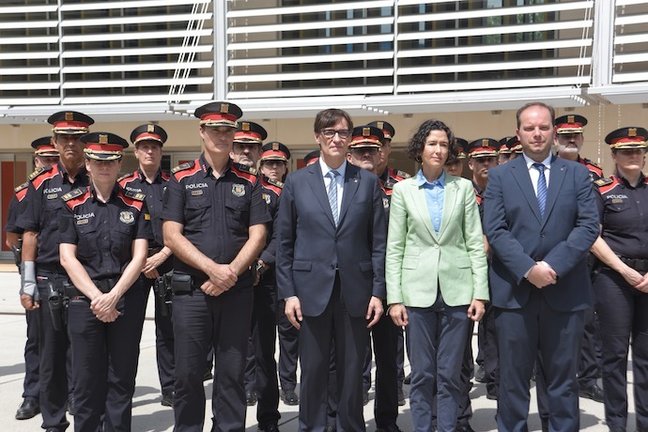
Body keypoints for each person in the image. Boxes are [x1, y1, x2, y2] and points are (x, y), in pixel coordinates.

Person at [483, 102, 599, 432]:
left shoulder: (577, 174)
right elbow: (496, 228)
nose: (537, 133)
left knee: (563, 382)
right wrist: (527, 268)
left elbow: (588, 226)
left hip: (565, 292)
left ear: (554, 132)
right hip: (515, 294)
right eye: (530, 128)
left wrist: (552, 265)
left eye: (544, 127)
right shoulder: (501, 176)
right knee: (513, 382)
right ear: (518, 133)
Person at [162, 101, 270, 432]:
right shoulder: (181, 178)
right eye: (215, 130)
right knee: (189, 373)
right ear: (202, 131)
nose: (222, 136)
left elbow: (259, 235)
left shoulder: (250, 181)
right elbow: (170, 234)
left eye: (228, 130)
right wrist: (212, 269)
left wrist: (230, 273)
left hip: (236, 292)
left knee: (232, 371)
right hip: (191, 292)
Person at [276, 108, 387, 431]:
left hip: (356, 290)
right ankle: (312, 426)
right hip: (310, 291)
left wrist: (378, 291)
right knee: (312, 371)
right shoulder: (297, 182)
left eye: (342, 133)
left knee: (353, 371)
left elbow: (378, 243)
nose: (336, 139)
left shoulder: (366, 182)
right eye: (329, 133)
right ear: (317, 138)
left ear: (350, 139)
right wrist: (289, 293)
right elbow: (285, 243)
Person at [386, 119, 488, 432]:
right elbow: (395, 247)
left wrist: (480, 293)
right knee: (422, 374)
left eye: (444, 145)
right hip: (416, 293)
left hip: (458, 291)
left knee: (450, 374)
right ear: (420, 148)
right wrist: (395, 299)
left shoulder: (463, 188)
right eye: (432, 143)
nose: (439, 150)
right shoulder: (403, 190)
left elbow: (474, 242)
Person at [59, 132, 149, 432]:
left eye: (110, 162)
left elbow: (139, 257)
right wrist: (98, 297)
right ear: (87, 164)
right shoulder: (72, 204)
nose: (104, 168)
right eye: (98, 162)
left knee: (121, 377)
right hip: (85, 301)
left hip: (126, 299)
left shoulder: (135, 204)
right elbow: (67, 258)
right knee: (86, 379)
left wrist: (114, 296)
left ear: (119, 163)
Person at [18, 110, 94, 432]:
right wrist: (27, 283)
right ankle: (53, 422)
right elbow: (30, 234)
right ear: (55, 142)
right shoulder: (40, 184)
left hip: (87, 280)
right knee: (50, 357)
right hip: (49, 279)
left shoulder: (98, 178)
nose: (71, 145)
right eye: (65, 139)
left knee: (85, 354)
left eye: (77, 138)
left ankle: (84, 411)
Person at [590, 126, 648, 432]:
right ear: (614, 155)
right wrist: (624, 270)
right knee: (613, 357)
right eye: (627, 151)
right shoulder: (602, 189)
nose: (634, 156)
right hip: (614, 279)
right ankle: (616, 424)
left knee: (646, 358)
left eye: (639, 150)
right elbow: (593, 237)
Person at [347, 125, 403, 432]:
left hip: (390, 286)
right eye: (360, 150)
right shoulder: (342, 186)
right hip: (352, 286)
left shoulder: (402, 187)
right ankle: (349, 419)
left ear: (383, 151)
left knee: (389, 361)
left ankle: (387, 422)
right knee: (349, 361)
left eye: (372, 149)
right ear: (350, 154)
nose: (367, 155)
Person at [119, 124, 175, 407]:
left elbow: (183, 226)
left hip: (167, 261)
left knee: (168, 331)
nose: (149, 151)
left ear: (161, 151)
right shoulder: (124, 186)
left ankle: (171, 389)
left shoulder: (174, 183)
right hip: (136, 265)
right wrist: (142, 261)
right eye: (144, 146)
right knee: (129, 333)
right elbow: (119, 232)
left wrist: (162, 255)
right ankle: (123, 392)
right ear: (136, 151)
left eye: (154, 146)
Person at [8, 136, 59, 421]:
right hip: (39, 276)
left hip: (71, 275)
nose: (50, 163)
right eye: (45, 159)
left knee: (73, 341)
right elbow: (12, 237)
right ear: (35, 160)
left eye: (54, 158)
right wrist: (26, 276)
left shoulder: (75, 186)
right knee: (38, 340)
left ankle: (72, 393)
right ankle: (33, 394)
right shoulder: (25, 193)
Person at [249, 140, 288, 432]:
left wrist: (262, 262)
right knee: (230, 356)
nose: (273, 168)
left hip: (266, 281)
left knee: (264, 354)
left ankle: (268, 418)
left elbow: (281, 236)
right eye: (269, 163)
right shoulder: (239, 186)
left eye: (278, 163)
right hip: (230, 281)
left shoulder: (278, 194)